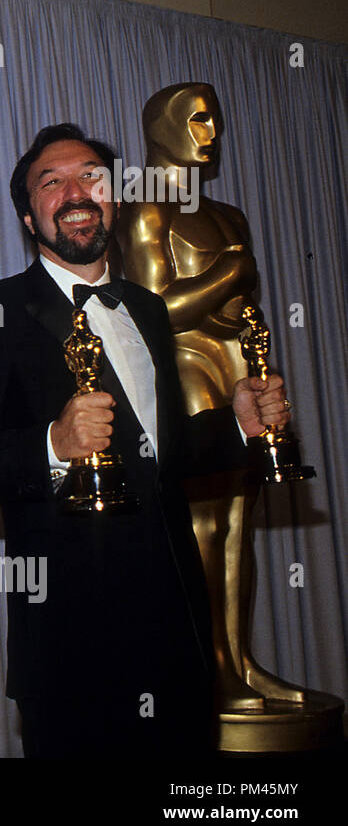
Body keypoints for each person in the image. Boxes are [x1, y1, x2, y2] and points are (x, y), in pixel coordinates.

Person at [0, 123, 292, 756]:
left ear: (117, 200)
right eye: (52, 182)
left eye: (92, 178)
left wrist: (238, 425)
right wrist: (53, 443)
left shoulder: (148, 310)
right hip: (71, 649)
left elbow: (162, 454)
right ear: (28, 214)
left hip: (178, 635)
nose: (76, 192)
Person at [118, 82, 308, 712]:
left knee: (239, 521)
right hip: (183, 366)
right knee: (204, 519)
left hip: (233, 361)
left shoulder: (228, 214)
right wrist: (228, 275)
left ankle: (241, 662)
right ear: (164, 127)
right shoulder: (145, 209)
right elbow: (152, 309)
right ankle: (209, 668)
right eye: (197, 120)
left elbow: (237, 301)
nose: (210, 134)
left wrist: (244, 320)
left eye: (215, 122)